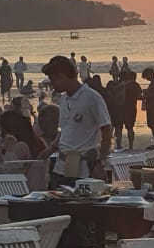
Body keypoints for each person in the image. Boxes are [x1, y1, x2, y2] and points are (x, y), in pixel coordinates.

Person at [42, 56, 111, 184]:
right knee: (64, 195)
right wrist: (51, 148)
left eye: (53, 79)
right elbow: (64, 129)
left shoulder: (92, 98)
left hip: (85, 164)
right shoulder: (63, 99)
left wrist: (101, 163)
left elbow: (106, 130)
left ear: (62, 76)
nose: (51, 84)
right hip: (64, 163)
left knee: (82, 199)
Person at [106, 71, 140, 150]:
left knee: (118, 128)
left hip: (119, 109)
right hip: (131, 109)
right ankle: (131, 146)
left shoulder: (116, 85)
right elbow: (139, 95)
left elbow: (111, 96)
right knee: (130, 128)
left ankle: (118, 145)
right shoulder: (134, 85)